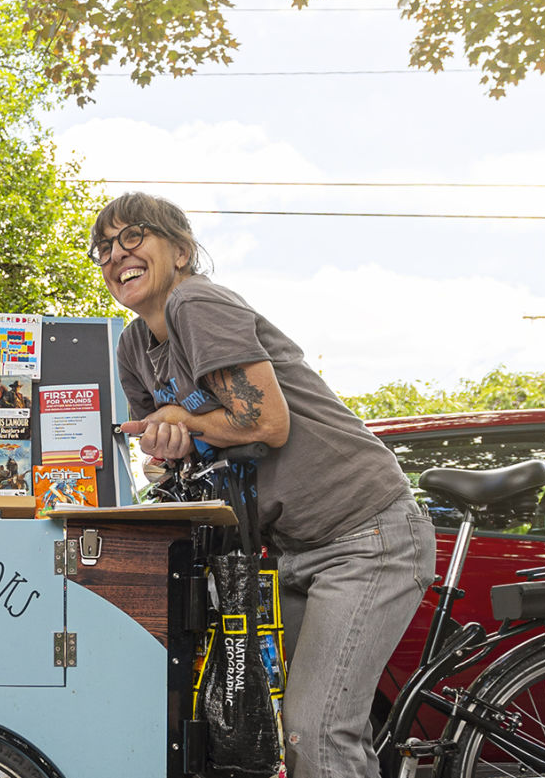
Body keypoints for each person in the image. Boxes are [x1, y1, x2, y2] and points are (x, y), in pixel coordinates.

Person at [96, 193, 434, 778]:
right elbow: (169, 447)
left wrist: (183, 422)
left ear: (180, 251)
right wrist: (166, 449)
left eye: (132, 238)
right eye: (103, 247)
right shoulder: (133, 345)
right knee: (286, 732)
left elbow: (266, 423)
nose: (115, 255)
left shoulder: (196, 302)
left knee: (319, 732)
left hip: (363, 533)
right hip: (292, 549)